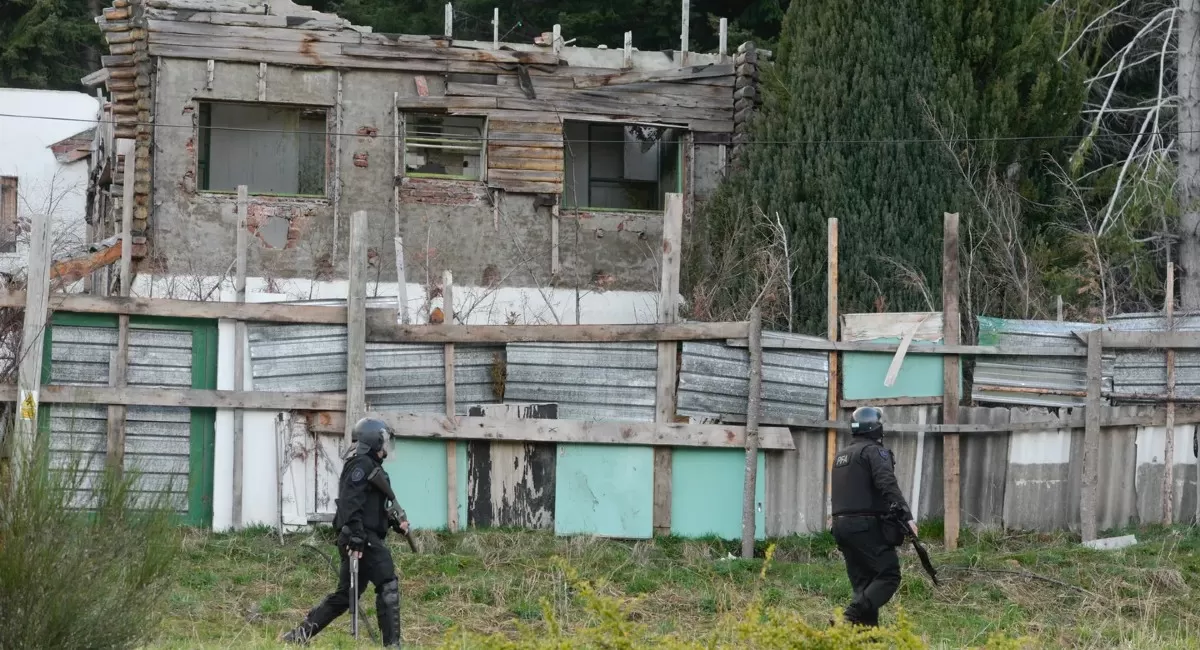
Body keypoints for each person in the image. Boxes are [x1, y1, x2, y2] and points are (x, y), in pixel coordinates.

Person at [282, 417, 410, 647]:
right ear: (374, 441)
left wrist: (392, 523)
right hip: (362, 539)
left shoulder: (371, 466)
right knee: (388, 582)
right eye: (383, 441)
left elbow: (369, 508)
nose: (386, 446)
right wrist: (358, 535)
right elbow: (350, 503)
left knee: (345, 596)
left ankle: (298, 636)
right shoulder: (361, 465)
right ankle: (393, 645)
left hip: (359, 537)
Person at [829, 406, 917, 627]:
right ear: (877, 428)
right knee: (889, 576)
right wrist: (907, 517)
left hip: (841, 526)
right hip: (865, 526)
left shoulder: (841, 456)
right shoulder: (874, 451)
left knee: (864, 586)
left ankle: (867, 641)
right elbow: (887, 483)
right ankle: (848, 616)